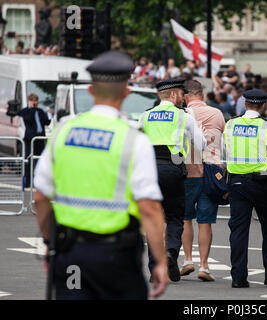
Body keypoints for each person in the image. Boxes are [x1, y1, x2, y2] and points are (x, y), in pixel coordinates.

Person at [33, 51, 169, 299]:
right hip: (116, 257)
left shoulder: (63, 133)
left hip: (70, 252)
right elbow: (148, 207)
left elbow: (41, 196)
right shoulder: (133, 140)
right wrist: (160, 261)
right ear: (127, 92)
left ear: (92, 91)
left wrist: (50, 244)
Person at [223, 89, 267, 288]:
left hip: (236, 183)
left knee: (238, 230)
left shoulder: (230, 124)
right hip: (262, 183)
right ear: (263, 106)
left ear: (245, 104)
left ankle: (238, 277)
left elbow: (224, 150)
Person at [139, 78, 206, 283]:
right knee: (175, 217)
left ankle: (155, 270)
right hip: (173, 170)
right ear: (174, 95)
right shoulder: (182, 116)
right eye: (181, 94)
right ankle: (170, 252)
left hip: (150, 170)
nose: (183, 98)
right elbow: (201, 144)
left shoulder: (146, 116)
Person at [180, 80, 225, 282]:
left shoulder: (183, 115)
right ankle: (205, 267)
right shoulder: (217, 114)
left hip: (188, 171)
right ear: (202, 94)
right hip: (211, 171)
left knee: (185, 218)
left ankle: (188, 260)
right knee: (205, 221)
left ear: (185, 96)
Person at [17, 93, 51, 188]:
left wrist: (48, 114)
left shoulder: (40, 111)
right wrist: (31, 109)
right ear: (29, 101)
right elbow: (28, 119)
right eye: (32, 100)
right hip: (30, 139)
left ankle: (39, 182)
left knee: (40, 160)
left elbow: (46, 122)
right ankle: (27, 181)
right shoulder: (25, 111)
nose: (35, 103)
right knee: (28, 160)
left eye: (36, 101)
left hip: (39, 138)